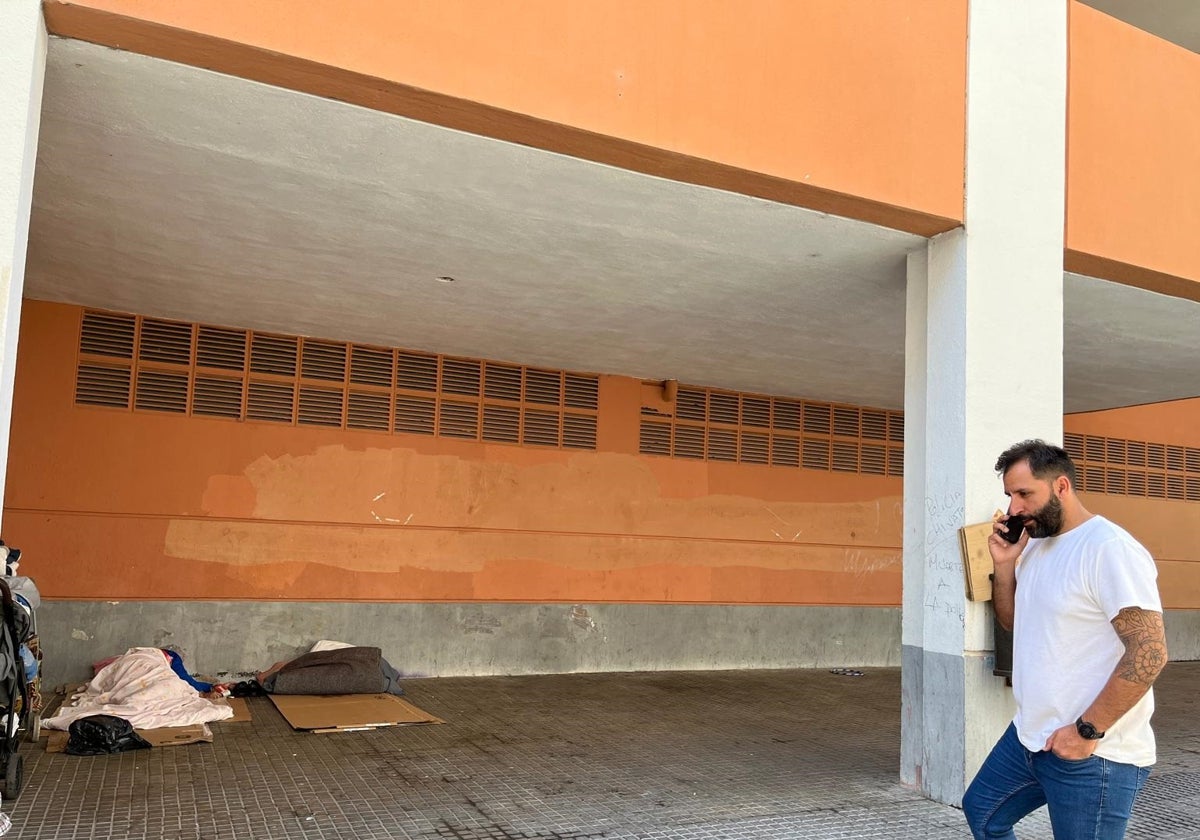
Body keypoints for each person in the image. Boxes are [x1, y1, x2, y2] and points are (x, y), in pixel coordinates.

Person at [963, 439, 1168, 840]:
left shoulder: (1108, 549)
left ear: (1061, 486)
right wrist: (1004, 565)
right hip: (1031, 736)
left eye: (1024, 494)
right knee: (984, 814)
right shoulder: (1037, 547)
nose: (1014, 508)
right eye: (1010, 495)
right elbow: (1012, 621)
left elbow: (1150, 651)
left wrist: (1087, 731)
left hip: (1094, 752)